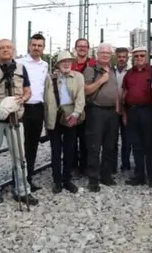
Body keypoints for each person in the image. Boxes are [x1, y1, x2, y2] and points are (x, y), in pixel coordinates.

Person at [0, 39, 37, 205]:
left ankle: (22, 189)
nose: (5, 50)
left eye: (8, 47)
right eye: (1, 48)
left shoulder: (21, 68)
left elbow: (28, 91)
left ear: (13, 50)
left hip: (15, 118)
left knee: (20, 156)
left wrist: (23, 99)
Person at [44, 50, 86, 194]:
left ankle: (67, 180)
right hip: (55, 116)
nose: (66, 63)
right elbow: (46, 99)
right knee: (56, 150)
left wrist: (75, 114)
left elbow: (81, 97)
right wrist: (47, 121)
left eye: (69, 61)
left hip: (71, 114)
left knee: (70, 149)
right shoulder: (51, 78)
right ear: (59, 64)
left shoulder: (79, 77)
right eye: (63, 61)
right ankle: (57, 181)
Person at [82, 43, 121, 191]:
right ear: (97, 55)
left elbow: (116, 91)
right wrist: (100, 81)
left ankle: (106, 175)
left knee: (110, 146)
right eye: (102, 52)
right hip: (96, 111)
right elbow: (86, 90)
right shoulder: (90, 70)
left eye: (107, 53)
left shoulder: (113, 70)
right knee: (94, 146)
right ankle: (93, 179)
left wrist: (117, 110)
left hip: (112, 112)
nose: (105, 55)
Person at [122, 46, 152, 188]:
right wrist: (124, 114)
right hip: (132, 112)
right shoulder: (129, 74)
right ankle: (139, 175)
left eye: (142, 56)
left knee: (149, 145)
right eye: (136, 56)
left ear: (147, 57)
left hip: (148, 111)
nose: (139, 58)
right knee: (136, 145)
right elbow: (124, 93)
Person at [18, 33, 49, 191]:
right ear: (29, 46)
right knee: (20, 147)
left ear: (43, 48)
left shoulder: (45, 65)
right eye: (34, 45)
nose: (36, 48)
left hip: (38, 108)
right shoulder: (19, 63)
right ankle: (18, 180)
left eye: (40, 46)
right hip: (23, 108)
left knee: (32, 146)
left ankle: (28, 178)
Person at [71, 38, 96, 175]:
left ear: (88, 48)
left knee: (86, 137)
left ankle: (85, 165)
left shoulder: (93, 63)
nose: (82, 48)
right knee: (72, 137)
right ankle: (73, 165)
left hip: (88, 106)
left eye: (85, 46)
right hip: (72, 105)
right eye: (79, 46)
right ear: (75, 48)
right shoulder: (70, 63)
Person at [114, 47, 131, 172]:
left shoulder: (131, 72)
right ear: (116, 57)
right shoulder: (110, 71)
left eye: (124, 57)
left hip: (127, 110)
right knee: (112, 140)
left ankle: (125, 164)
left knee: (127, 139)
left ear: (127, 58)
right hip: (113, 110)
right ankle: (112, 165)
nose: (121, 59)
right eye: (119, 56)